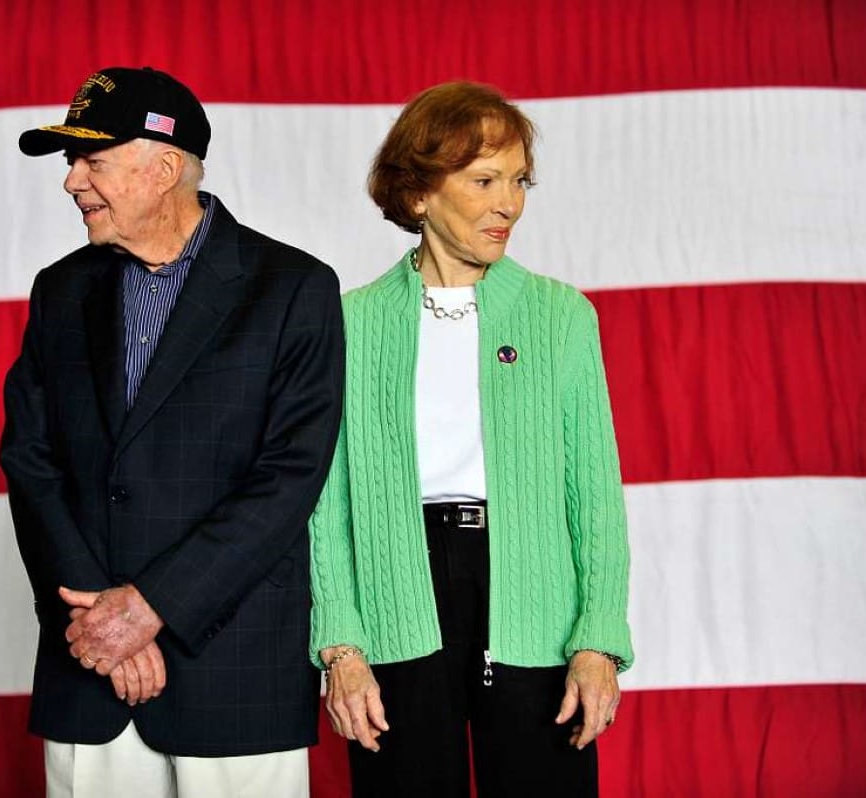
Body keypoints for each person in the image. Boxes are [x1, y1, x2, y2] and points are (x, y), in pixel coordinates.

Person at [0, 66, 344, 798]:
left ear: (162, 168)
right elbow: (31, 461)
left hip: (234, 678)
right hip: (88, 671)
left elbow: (289, 479)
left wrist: (152, 607)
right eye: (71, 163)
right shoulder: (58, 291)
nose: (71, 183)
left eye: (91, 161)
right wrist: (101, 619)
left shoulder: (294, 290)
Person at [308, 81, 634, 797]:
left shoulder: (561, 316)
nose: (508, 203)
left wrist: (598, 637)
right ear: (420, 193)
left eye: (519, 181)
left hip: (534, 600)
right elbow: (325, 506)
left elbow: (597, 499)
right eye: (485, 180)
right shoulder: (348, 325)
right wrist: (341, 644)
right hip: (398, 595)